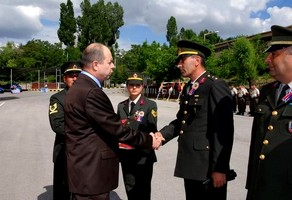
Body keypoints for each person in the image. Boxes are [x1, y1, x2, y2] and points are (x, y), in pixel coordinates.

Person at [64, 43, 163, 200]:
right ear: (96, 64)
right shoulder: (91, 92)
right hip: (92, 173)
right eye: (110, 62)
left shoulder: (78, 87)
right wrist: (149, 139)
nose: (113, 66)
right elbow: (117, 129)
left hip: (84, 170)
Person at [156, 40, 234, 200]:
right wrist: (161, 136)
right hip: (191, 164)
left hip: (207, 167)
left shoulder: (215, 85)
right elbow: (182, 121)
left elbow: (224, 131)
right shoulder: (189, 87)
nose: (178, 65)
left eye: (182, 60)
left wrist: (220, 168)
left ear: (197, 60)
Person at [246, 25, 292, 200]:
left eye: (274, 54)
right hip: (260, 188)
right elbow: (258, 143)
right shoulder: (268, 91)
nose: (267, 59)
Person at [117, 73, 158, 200]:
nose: (134, 87)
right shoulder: (121, 106)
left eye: (137, 85)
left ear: (142, 87)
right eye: (131, 85)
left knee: (143, 190)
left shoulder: (150, 105)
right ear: (127, 86)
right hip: (126, 155)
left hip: (143, 156)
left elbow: (151, 129)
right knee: (130, 189)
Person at [48, 61, 82, 200]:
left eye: (77, 75)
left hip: (84, 153)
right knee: (63, 191)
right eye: (70, 75)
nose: (74, 78)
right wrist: (83, 134)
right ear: (64, 78)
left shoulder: (88, 96)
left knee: (81, 191)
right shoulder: (58, 98)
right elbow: (57, 125)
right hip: (65, 151)